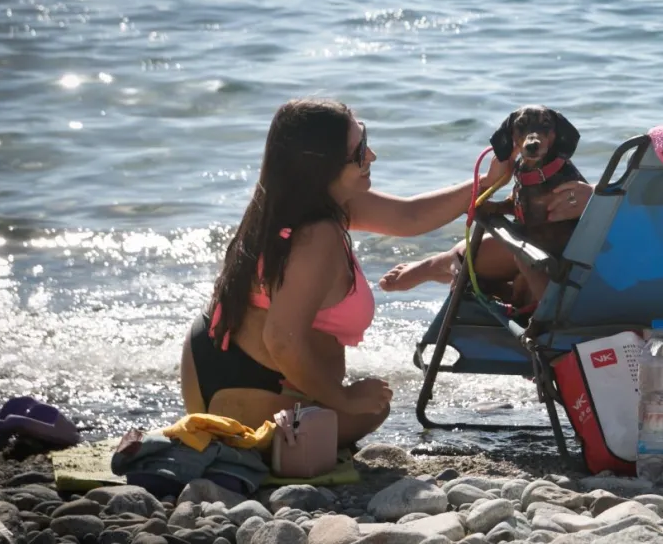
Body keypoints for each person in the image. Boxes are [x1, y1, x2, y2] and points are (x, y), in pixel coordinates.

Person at [179, 98, 512, 448]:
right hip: (242, 388)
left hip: (219, 361)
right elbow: (280, 340)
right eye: (359, 152)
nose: (371, 157)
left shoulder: (302, 199)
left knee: (368, 404)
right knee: (372, 409)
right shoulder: (317, 236)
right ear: (322, 165)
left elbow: (409, 217)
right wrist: (343, 398)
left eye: (364, 139)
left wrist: (489, 180)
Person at [378, 180, 595, 293]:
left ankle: (440, 265)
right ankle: (442, 265)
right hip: (611, 280)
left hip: (573, 277)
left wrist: (598, 197)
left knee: (525, 250)